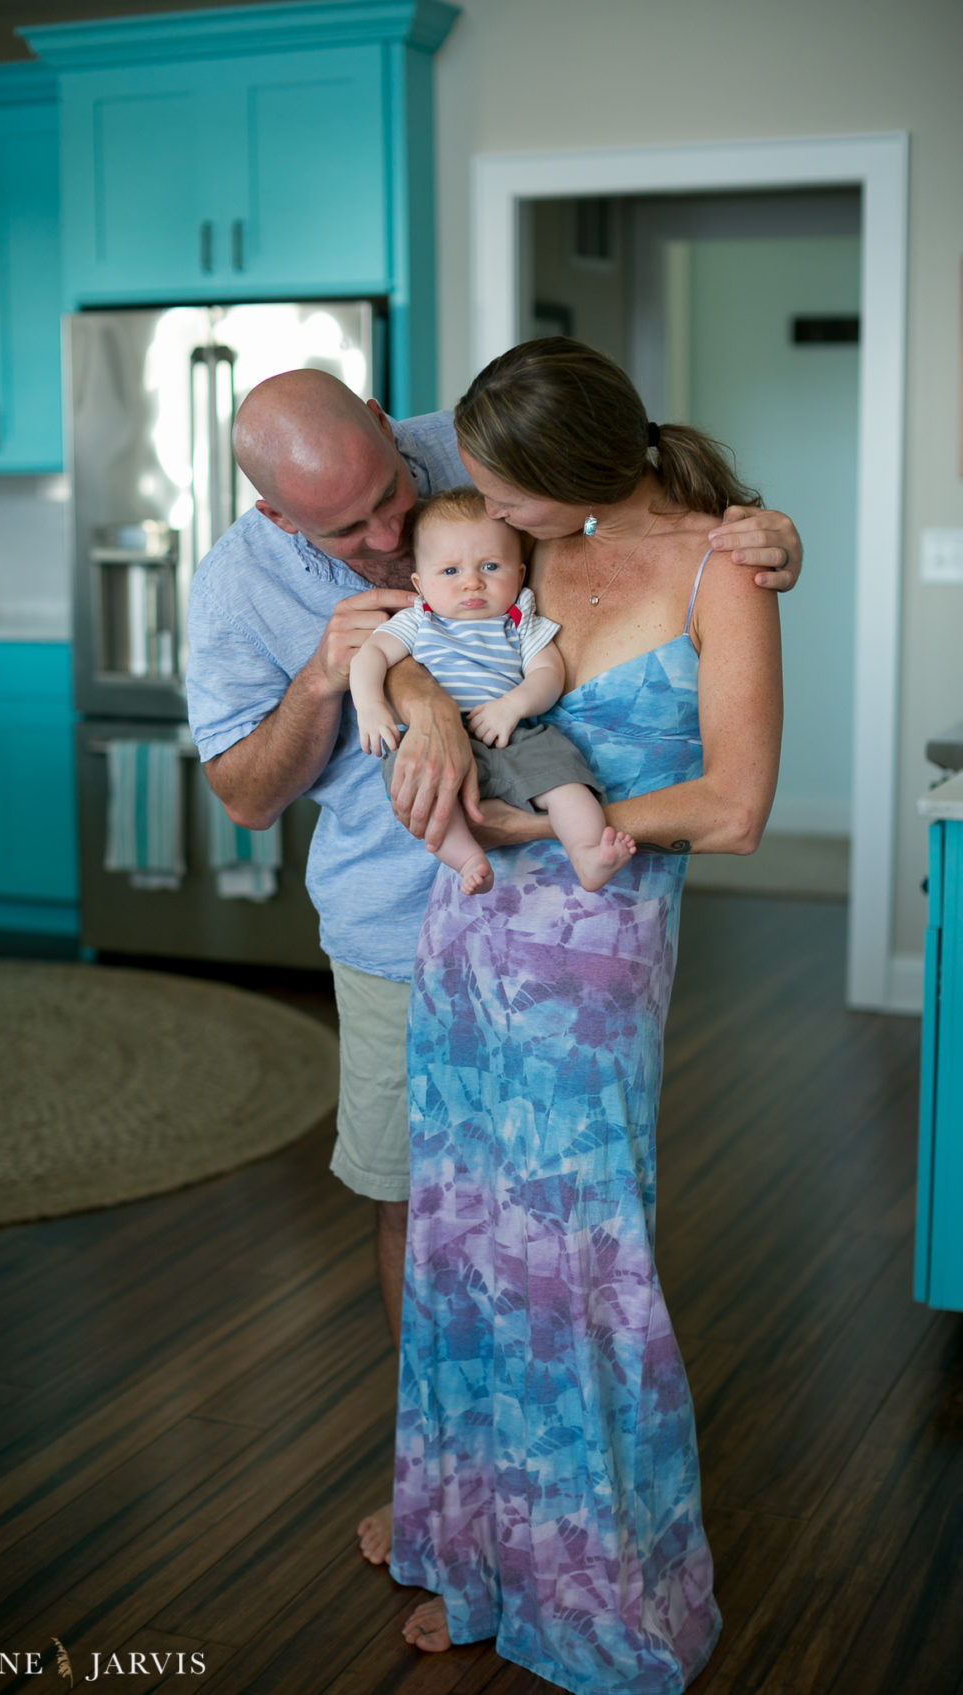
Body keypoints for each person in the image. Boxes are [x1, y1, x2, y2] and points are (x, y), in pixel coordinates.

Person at [184, 365, 800, 1569]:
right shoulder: (241, 585)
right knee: (425, 1219)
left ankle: (555, 1535)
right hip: (391, 927)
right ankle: (451, 1498)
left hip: (561, 932)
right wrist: (351, 681)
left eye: (388, 504)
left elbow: (610, 556)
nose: (385, 539)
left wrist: (767, 534)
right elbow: (247, 797)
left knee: (563, 1244)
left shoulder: (490, 471)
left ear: (382, 421)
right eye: (344, 533)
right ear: (274, 520)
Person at [389, 338, 783, 1692]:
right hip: (468, 932)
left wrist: (559, 821)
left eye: (506, 485)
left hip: (595, 951)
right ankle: (475, 1559)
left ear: (575, 474)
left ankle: (597, 1587)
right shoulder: (521, 543)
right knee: (462, 1241)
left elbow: (733, 806)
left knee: (574, 1258)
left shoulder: (720, 565)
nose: (484, 504)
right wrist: (425, 710)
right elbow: (413, 631)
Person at [350, 487, 636, 895]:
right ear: (420, 582)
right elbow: (370, 656)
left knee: (567, 779)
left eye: (490, 566)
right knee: (412, 782)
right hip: (431, 743)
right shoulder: (420, 622)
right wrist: (371, 707)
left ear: (519, 574)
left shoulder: (520, 620)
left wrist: (513, 705)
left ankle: (588, 852)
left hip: (511, 733)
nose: (471, 584)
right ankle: (467, 858)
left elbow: (547, 674)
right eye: (450, 572)